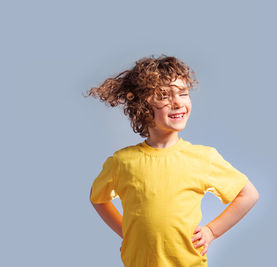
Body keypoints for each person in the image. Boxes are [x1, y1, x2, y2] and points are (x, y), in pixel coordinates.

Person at [84, 54, 259, 267]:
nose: (177, 103)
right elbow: (98, 198)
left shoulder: (203, 158)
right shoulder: (122, 162)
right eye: (164, 95)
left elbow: (248, 194)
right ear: (142, 106)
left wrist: (212, 231)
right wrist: (126, 232)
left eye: (183, 93)